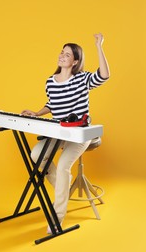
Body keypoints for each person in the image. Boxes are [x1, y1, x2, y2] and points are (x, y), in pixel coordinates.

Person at [21, 33, 110, 233]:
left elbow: (104, 75)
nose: (62, 55)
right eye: (61, 52)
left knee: (62, 166)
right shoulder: (50, 82)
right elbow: (53, 104)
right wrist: (37, 113)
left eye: (67, 54)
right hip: (60, 132)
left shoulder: (82, 79)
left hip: (80, 133)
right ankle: (64, 186)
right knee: (36, 155)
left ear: (75, 61)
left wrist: (98, 46)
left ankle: (57, 218)